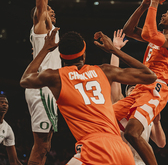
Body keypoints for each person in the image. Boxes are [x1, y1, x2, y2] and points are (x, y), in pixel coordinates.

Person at [20, 28, 157, 165]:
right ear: (84, 55)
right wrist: (114, 50)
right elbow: (150, 75)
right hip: (122, 150)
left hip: (95, 150)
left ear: (61, 57)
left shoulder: (55, 77)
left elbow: (25, 79)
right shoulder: (104, 71)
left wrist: (45, 49)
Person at [112, 0, 168, 165]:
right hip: (139, 87)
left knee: (132, 132)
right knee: (103, 118)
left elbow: (149, 34)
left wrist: (154, 2)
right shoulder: (158, 38)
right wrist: (144, 5)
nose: (164, 14)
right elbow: (128, 30)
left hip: (156, 89)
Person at [110, 29, 166, 165]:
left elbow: (161, 143)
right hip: (121, 160)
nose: (137, 90)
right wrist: (115, 49)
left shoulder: (146, 111)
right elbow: (114, 76)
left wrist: (157, 123)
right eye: (133, 89)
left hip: (141, 161)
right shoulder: (120, 102)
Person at [25, 0, 61, 164]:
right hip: (42, 89)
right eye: (48, 9)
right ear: (38, 14)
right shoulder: (40, 27)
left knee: (46, 146)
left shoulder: (51, 32)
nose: (51, 10)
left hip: (49, 88)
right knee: (41, 147)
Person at [0, 95, 23, 165]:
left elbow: (14, 161)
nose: (4, 104)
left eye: (6, 103)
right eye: (1, 102)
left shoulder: (7, 129)